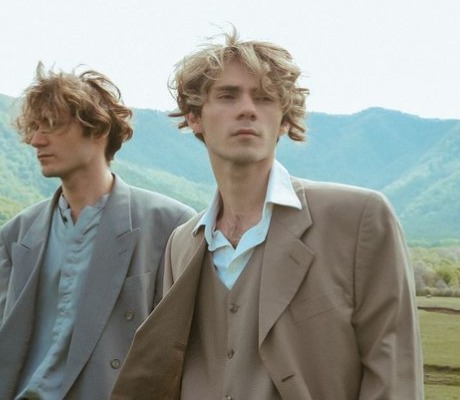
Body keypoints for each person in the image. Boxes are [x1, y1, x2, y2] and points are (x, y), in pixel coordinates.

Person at [110, 30, 424, 399]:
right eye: (228, 96)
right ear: (195, 117)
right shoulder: (183, 242)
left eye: (264, 97)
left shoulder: (358, 219)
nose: (247, 109)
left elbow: (393, 375)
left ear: (285, 120)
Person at [0, 63, 195, 400]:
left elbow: (179, 352)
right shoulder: (17, 234)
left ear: (98, 129)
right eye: (34, 128)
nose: (36, 140)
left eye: (52, 126)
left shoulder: (170, 224)